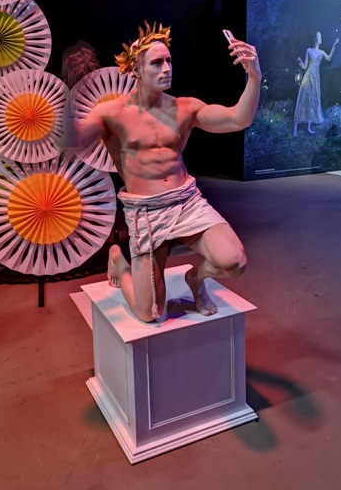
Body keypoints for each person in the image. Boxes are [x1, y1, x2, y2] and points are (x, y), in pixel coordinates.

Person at [70, 22, 262, 322]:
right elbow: (72, 139)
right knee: (149, 313)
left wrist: (254, 76)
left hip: (186, 202)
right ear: (136, 68)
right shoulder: (111, 113)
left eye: (169, 61)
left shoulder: (185, 108)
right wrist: (62, 101)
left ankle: (195, 279)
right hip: (146, 211)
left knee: (234, 261)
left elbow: (239, 119)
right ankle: (118, 259)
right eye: (157, 63)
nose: (167, 68)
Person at [293, 31, 339, 136]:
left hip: (316, 79)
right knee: (303, 98)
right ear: (314, 38)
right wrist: (300, 62)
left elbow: (329, 58)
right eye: (318, 36)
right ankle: (295, 126)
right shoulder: (308, 50)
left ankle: (309, 127)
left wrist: (334, 45)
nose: (320, 38)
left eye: (321, 36)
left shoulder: (322, 52)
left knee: (313, 99)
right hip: (308, 76)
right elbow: (305, 66)